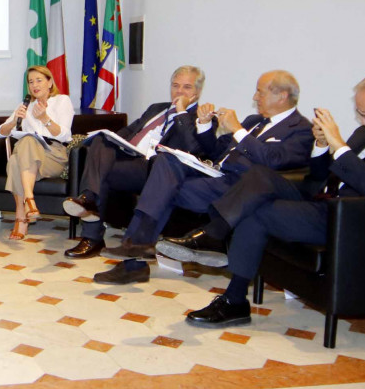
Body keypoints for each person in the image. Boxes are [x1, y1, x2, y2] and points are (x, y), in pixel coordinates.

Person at [167, 71, 365, 328]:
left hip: (353, 220)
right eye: (361, 114)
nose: (364, 121)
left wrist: (339, 146)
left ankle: (232, 296)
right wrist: (322, 147)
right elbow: (321, 174)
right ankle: (215, 237)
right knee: (261, 175)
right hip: (322, 201)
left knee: (257, 212)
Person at [95, 70, 312, 285]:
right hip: (214, 176)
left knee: (162, 187)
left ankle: (134, 256)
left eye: (260, 92)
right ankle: (136, 253)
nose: (255, 97)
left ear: (282, 96)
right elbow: (216, 151)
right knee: (166, 161)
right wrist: (205, 124)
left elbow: (273, 160)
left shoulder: (301, 129)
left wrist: (237, 129)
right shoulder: (254, 121)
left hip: (240, 190)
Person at [61, 65, 205, 258]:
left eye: (186, 87)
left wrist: (181, 112)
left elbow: (192, 147)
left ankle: (91, 230)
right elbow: (130, 131)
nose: (179, 91)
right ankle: (90, 202)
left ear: (197, 92)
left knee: (100, 172)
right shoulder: (157, 108)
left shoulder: (199, 119)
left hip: (153, 169)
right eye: (175, 85)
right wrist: (113, 139)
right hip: (127, 156)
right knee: (101, 142)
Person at [0, 65, 76, 240]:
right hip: (30, 156)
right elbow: (0, 132)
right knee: (21, 152)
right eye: (31, 82)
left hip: (54, 155)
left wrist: (44, 119)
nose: (34, 85)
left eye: (39, 80)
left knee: (19, 155)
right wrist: (14, 121)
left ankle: (22, 213)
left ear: (50, 82)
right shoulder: (25, 106)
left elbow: (65, 135)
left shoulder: (62, 101)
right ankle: (28, 204)